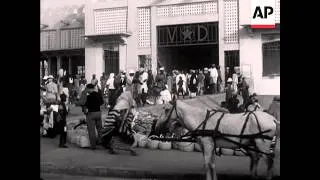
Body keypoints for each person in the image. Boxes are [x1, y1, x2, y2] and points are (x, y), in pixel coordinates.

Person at [84, 84, 104, 150]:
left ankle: (93, 146)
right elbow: (102, 103)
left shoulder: (89, 96)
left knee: (91, 130)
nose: (86, 90)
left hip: (91, 114)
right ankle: (101, 142)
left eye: (87, 89)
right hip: (98, 113)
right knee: (100, 129)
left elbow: (86, 106)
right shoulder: (98, 94)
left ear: (90, 89)